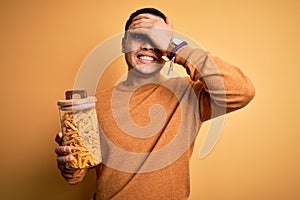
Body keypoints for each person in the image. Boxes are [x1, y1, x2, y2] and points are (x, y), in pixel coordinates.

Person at [55, 7, 255, 200]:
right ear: (124, 44)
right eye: (139, 36)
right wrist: (69, 165)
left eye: (155, 38)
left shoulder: (190, 94)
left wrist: (176, 47)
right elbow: (77, 174)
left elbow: (242, 91)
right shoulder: (95, 106)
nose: (148, 46)